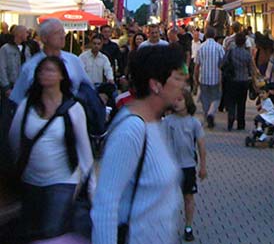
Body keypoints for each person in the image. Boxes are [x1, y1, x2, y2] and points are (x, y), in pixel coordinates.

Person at [91, 45, 185, 244]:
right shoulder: (131, 130)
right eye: (177, 78)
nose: (182, 85)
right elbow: (105, 205)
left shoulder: (156, 124)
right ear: (156, 85)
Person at [9, 56, 94, 242]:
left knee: (51, 234)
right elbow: (15, 138)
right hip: (30, 181)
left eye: (50, 70)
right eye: (42, 71)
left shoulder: (73, 108)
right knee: (31, 233)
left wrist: (91, 186)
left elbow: (84, 150)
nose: (45, 74)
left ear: (62, 76)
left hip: (62, 181)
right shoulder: (27, 106)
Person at [10, 19, 93, 106]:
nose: (62, 36)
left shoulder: (74, 60)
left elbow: (88, 86)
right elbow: (17, 99)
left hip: (70, 113)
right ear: (44, 38)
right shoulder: (30, 66)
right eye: (57, 33)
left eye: (63, 32)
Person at [163, 89, 207, 242]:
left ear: (187, 102)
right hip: (171, 167)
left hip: (188, 166)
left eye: (180, 100)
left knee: (188, 197)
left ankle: (188, 226)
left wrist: (203, 167)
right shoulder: (168, 122)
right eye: (174, 100)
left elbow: (201, 145)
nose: (176, 103)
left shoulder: (194, 122)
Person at [222, 32, 257, 131]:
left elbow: (223, 62)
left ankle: (231, 118)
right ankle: (241, 123)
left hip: (232, 80)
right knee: (242, 103)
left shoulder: (231, 51)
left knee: (231, 101)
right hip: (243, 80)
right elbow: (251, 68)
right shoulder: (247, 54)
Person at [194, 26, 225, 128]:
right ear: (215, 35)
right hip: (216, 77)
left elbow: (197, 65)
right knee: (216, 97)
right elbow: (223, 63)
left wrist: (196, 77)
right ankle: (211, 113)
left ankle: (207, 116)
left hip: (203, 77)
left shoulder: (201, 48)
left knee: (205, 98)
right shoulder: (219, 47)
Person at [0, 25, 32, 99]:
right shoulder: (5, 49)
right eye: (26, 32)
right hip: (10, 86)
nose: (28, 34)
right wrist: (6, 87)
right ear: (19, 33)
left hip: (24, 86)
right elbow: (1, 69)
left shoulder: (26, 49)